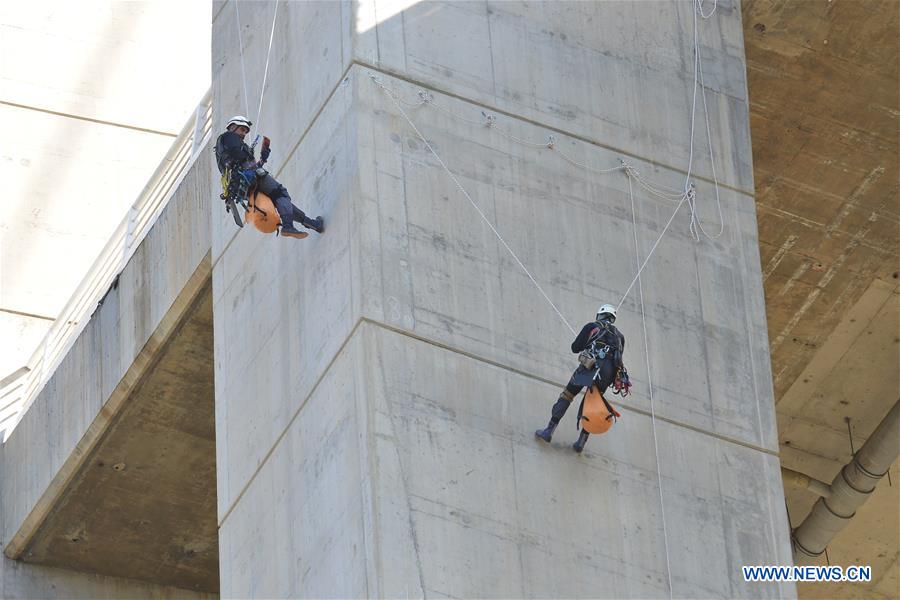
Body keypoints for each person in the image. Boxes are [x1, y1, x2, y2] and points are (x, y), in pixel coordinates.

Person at [535, 303, 626, 453]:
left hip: (589, 368)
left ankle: (549, 431)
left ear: (600, 315)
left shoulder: (593, 326)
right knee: (592, 403)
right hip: (607, 375)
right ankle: (581, 442)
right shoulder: (620, 337)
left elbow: (575, 348)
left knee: (568, 394)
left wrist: (586, 344)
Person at [215, 115, 324, 239]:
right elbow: (241, 159)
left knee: (279, 202)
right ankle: (288, 226)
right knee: (280, 194)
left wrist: (262, 158)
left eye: (245, 131)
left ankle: (311, 224)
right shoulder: (228, 137)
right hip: (249, 178)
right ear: (232, 127)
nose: (243, 134)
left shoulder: (226, 148)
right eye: (242, 130)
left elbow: (246, 163)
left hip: (242, 185)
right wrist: (249, 155)